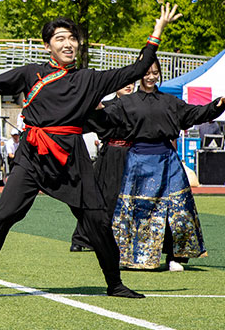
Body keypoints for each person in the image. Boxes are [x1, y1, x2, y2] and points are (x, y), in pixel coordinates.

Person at [0, 3, 181, 299]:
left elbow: (136, 69)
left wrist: (157, 30)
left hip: (72, 159)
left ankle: (115, 284)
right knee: (4, 214)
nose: (68, 44)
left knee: (96, 221)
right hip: (32, 155)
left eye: (72, 38)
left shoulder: (90, 79)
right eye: (60, 38)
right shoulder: (31, 73)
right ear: (48, 46)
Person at [89, 60, 225, 271]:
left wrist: (218, 105)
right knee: (138, 210)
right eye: (147, 73)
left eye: (155, 72)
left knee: (178, 209)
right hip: (138, 161)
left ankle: (174, 257)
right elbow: (104, 119)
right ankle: (133, 256)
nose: (151, 77)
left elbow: (194, 113)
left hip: (168, 160)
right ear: (139, 75)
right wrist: (96, 108)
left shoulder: (170, 101)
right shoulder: (126, 102)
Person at [69, 83, 135, 252]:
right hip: (110, 155)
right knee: (98, 198)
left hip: (133, 154)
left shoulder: (139, 104)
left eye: (132, 83)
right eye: (125, 83)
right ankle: (82, 238)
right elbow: (84, 123)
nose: (129, 86)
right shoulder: (104, 106)